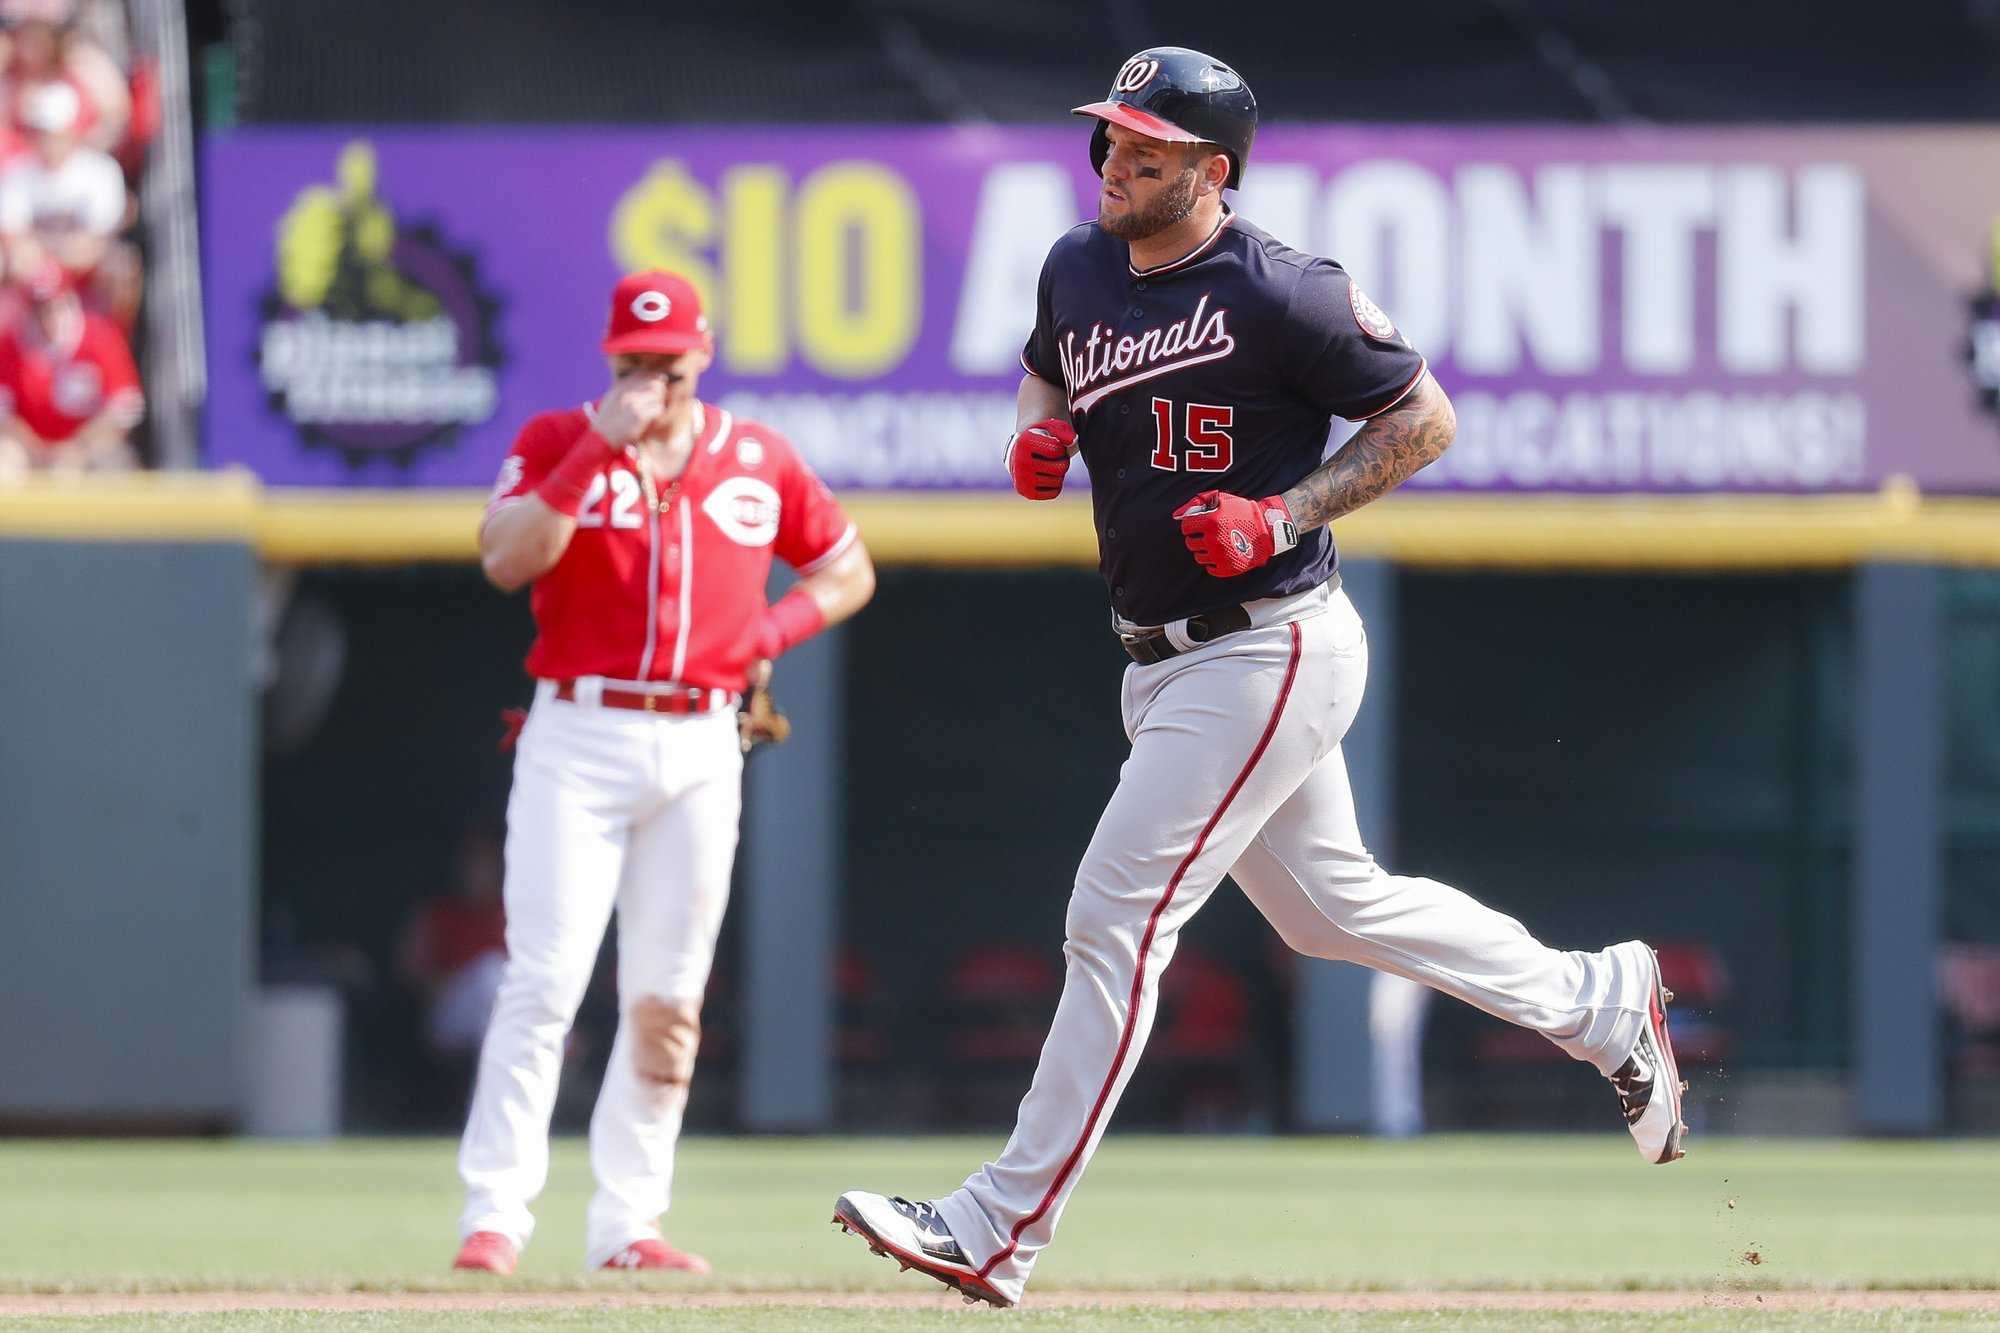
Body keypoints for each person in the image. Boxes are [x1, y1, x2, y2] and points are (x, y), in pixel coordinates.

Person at [832, 47, 1685, 1309]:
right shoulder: (1077, 260)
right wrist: (1038, 425)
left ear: (1208, 169)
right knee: (1330, 910)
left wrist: (1282, 514)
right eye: (1110, 140)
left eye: (1144, 149)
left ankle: (994, 1225)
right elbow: (1049, 362)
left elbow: (1425, 418)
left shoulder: (1282, 288)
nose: (1113, 163)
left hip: (1268, 638)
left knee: (1114, 916)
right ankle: (1592, 998)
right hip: (1158, 657)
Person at [454, 268, 875, 1276]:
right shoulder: (559, 439)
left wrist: (768, 632)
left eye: (669, 367)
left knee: (667, 993)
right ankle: (495, 1215)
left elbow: (847, 568)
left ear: (702, 357)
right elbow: (505, 559)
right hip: (579, 729)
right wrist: (599, 440)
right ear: (609, 359)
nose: (651, 383)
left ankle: (627, 1222)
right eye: (633, 364)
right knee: (544, 979)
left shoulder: (754, 457)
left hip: (698, 737)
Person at [0, 256, 139, 474]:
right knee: (5, 460)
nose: (51, 316)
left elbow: (125, 410)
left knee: (115, 466)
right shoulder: (12, 343)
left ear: (72, 300)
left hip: (87, 449)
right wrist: (37, 450)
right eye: (42, 308)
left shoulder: (101, 336)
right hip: (31, 450)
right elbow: (3, 414)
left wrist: (77, 449)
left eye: (58, 305)